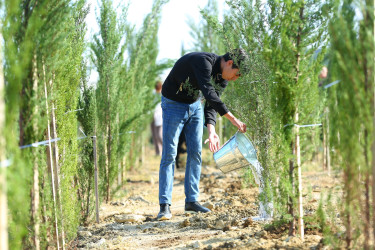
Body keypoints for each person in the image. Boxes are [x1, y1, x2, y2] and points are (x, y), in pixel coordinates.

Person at [157, 49, 248, 220]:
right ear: (229, 63)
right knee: (169, 153)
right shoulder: (203, 62)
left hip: (195, 105)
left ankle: (191, 201)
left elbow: (211, 104)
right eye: (236, 74)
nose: (235, 78)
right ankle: (165, 206)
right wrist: (233, 118)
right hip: (173, 104)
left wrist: (212, 131)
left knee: (196, 152)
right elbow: (209, 93)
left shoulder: (223, 78)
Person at [150, 81, 163, 156]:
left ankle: (166, 148)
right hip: (152, 116)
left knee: (159, 135)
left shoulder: (162, 95)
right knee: (154, 135)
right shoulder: (153, 94)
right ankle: (158, 152)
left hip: (159, 117)